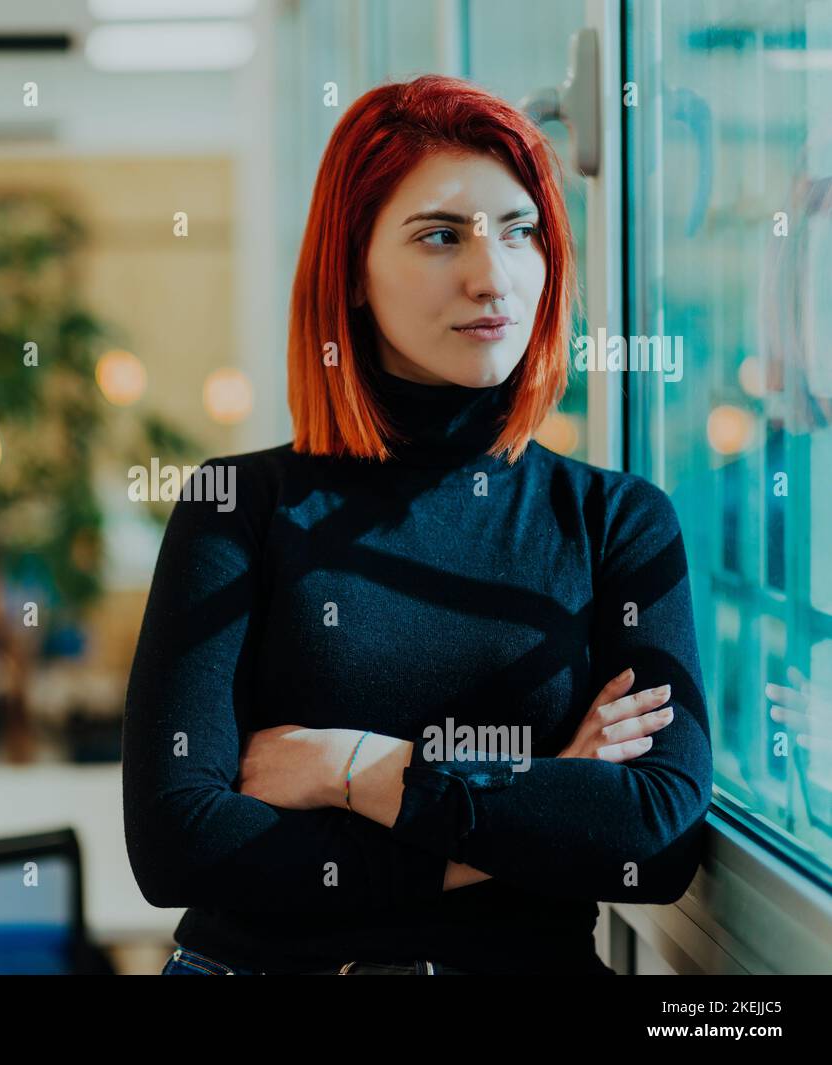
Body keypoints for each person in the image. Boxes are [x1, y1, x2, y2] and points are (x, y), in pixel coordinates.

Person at [122, 74, 713, 975]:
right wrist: (539, 802)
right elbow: (178, 844)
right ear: (351, 272)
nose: (492, 275)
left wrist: (350, 768)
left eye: (521, 231)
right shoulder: (237, 507)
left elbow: (654, 842)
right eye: (441, 236)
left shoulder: (616, 522)